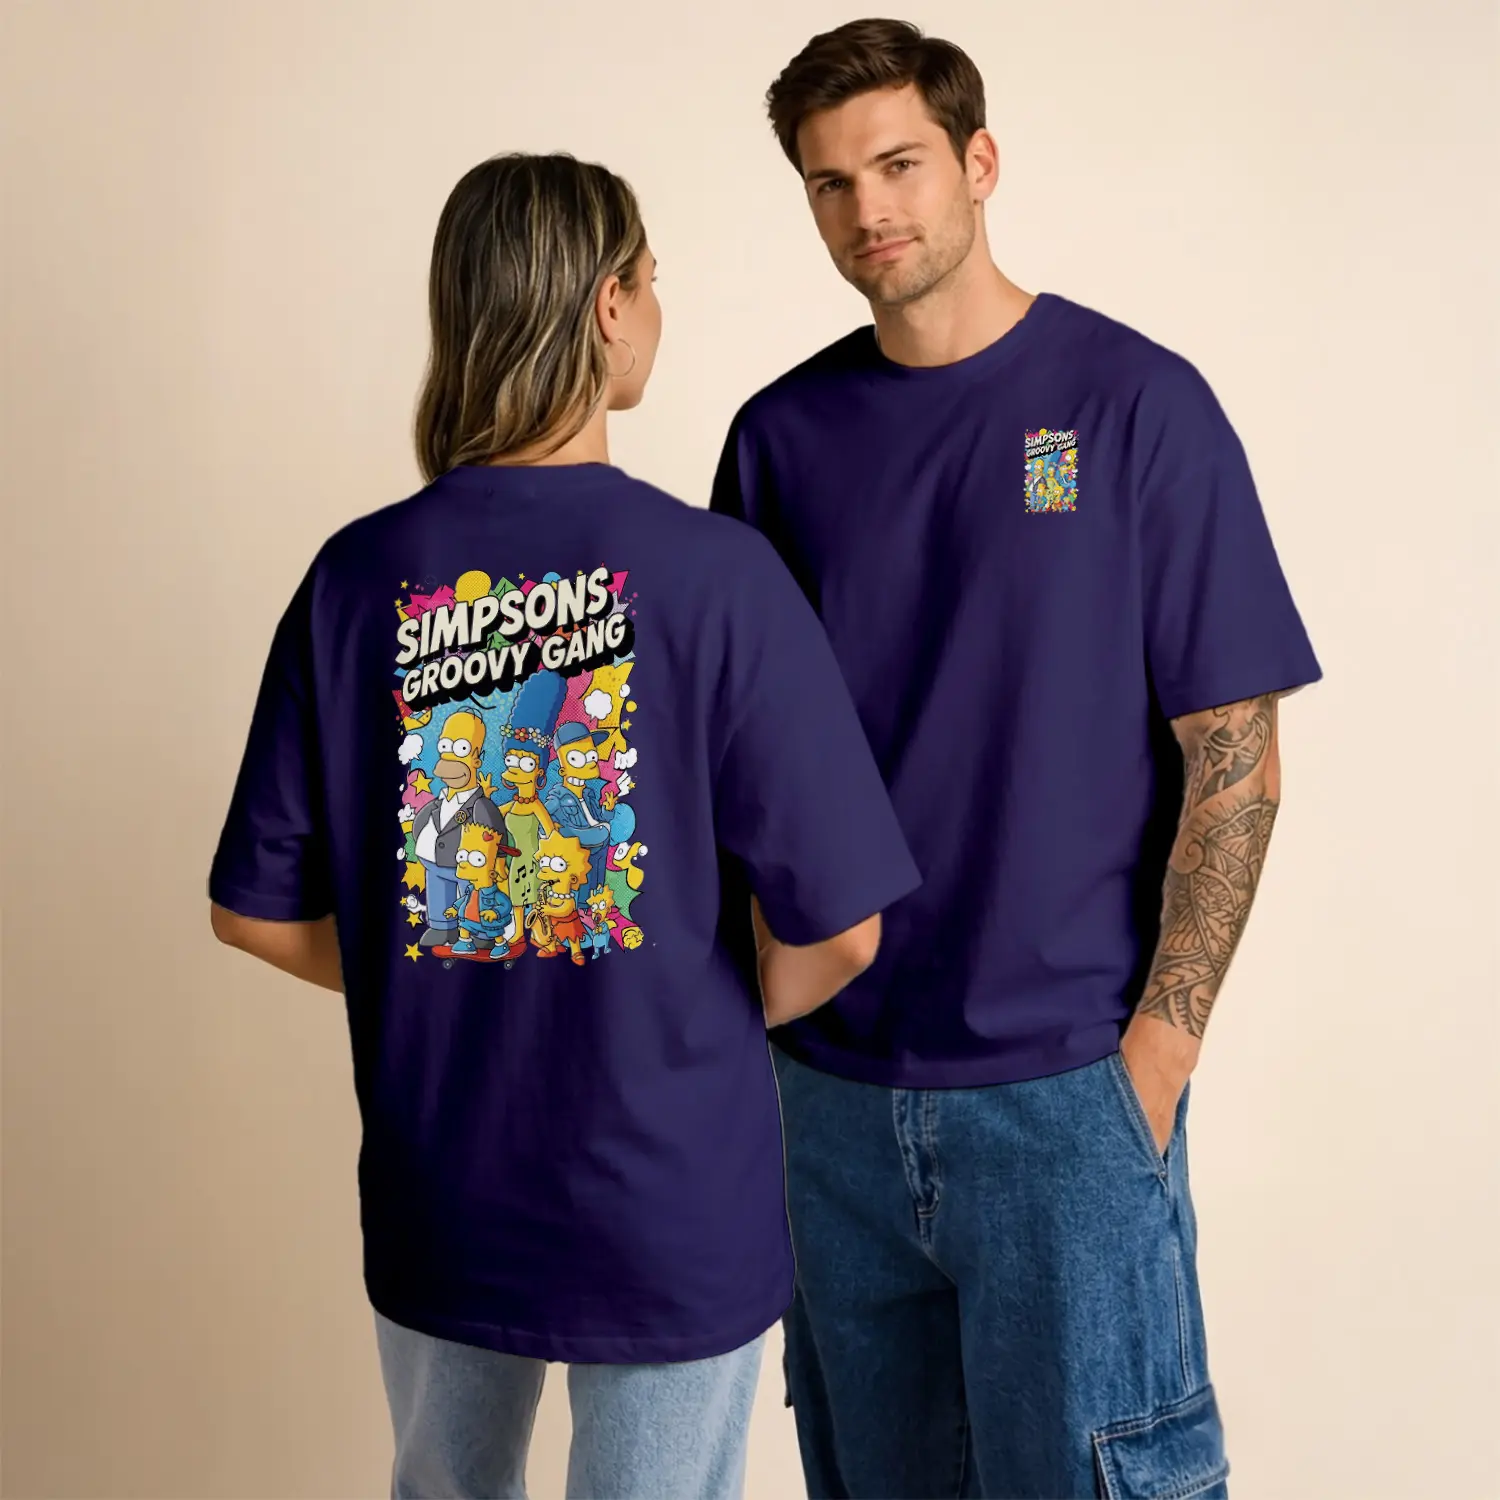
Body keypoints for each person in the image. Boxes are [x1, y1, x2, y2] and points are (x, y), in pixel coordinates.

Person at [208, 151, 920, 1500]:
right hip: (668, 1193)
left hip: (442, 1177)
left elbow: (254, 910)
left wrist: (447, 970)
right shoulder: (718, 576)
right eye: (651, 280)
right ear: (607, 304)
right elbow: (844, 928)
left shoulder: (356, 578)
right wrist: (692, 1011)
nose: (658, 307)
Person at [711, 20, 1322, 1500]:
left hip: (1065, 1093)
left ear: (980, 161)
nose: (869, 210)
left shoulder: (1134, 406)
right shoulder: (780, 440)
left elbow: (1236, 760)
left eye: (900, 164)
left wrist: (1154, 1063)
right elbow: (730, 770)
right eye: (831, 182)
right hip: (830, 1103)